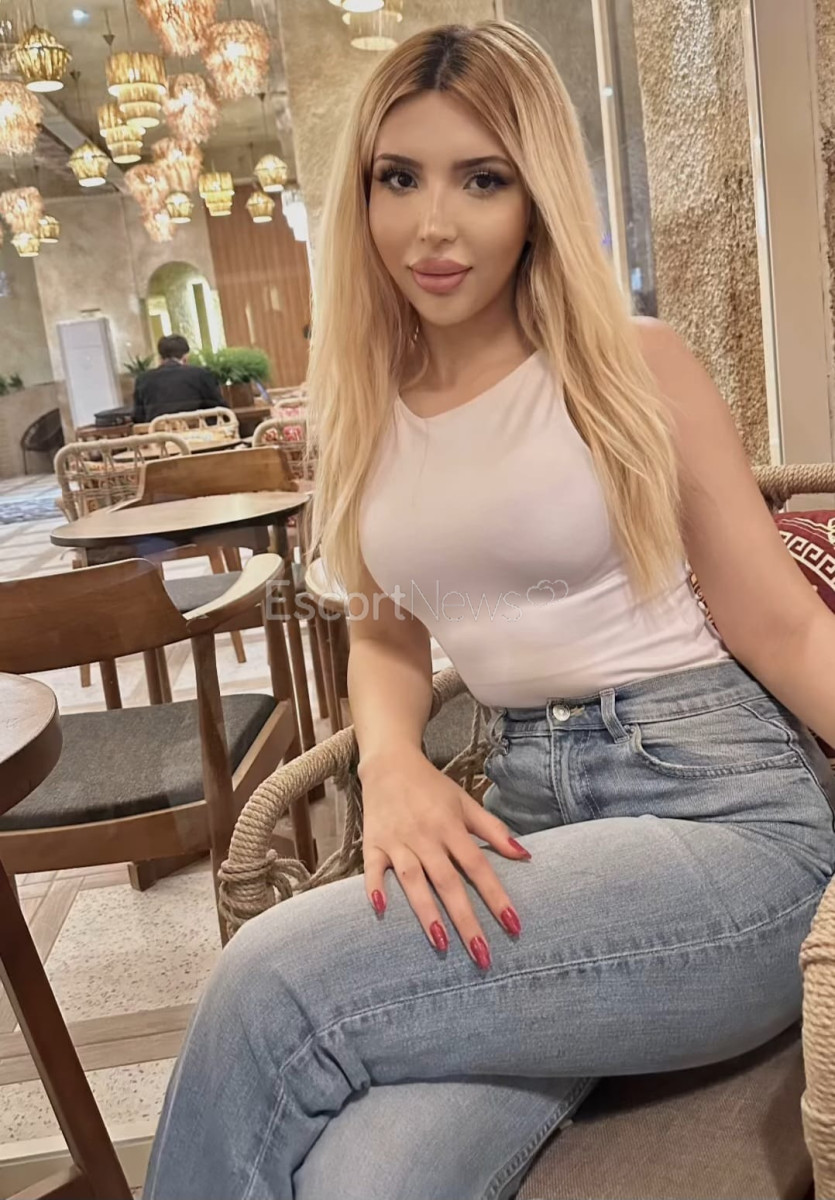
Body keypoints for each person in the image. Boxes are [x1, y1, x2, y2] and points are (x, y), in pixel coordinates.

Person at [144, 22, 835, 1200]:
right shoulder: (365, 407)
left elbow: (784, 626)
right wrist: (392, 763)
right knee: (363, 1184)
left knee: (271, 986)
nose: (434, 225)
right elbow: (382, 628)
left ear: (534, 198)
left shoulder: (631, 365)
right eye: (398, 178)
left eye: (481, 179)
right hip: (520, 824)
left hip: (719, 824)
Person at [132, 334, 225, 424]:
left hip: (158, 433)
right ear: (185, 357)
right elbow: (220, 409)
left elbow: (138, 417)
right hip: (197, 432)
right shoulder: (201, 374)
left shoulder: (143, 379)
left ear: (160, 358)